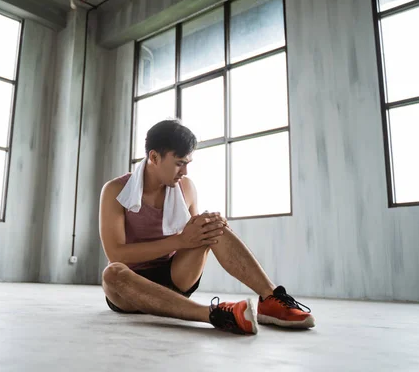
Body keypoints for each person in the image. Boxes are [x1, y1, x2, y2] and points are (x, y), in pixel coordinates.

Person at [99, 119, 314, 334]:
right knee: (112, 273)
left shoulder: (186, 188)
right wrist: (180, 240)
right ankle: (214, 314)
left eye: (187, 163)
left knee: (211, 227)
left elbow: (195, 237)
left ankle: (270, 298)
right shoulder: (115, 190)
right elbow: (116, 253)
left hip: (175, 277)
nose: (184, 171)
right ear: (154, 157)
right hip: (130, 288)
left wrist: (210, 227)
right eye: (179, 163)